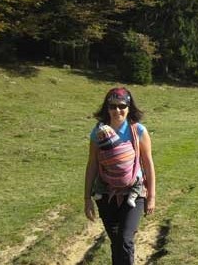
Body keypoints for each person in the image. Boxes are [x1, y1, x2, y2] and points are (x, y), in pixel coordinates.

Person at [84, 87, 156, 265]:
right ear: (106, 108)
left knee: (125, 240)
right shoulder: (98, 132)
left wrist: (151, 196)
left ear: (129, 107)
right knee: (117, 242)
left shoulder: (138, 131)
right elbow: (92, 164)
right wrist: (87, 198)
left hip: (134, 192)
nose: (117, 110)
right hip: (105, 193)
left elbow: (148, 164)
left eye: (122, 106)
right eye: (112, 106)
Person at [92, 122, 142, 208]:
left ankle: (98, 192)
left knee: (100, 177)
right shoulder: (126, 148)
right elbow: (133, 154)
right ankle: (133, 196)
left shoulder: (103, 155)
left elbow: (98, 162)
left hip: (110, 180)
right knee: (139, 177)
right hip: (128, 180)